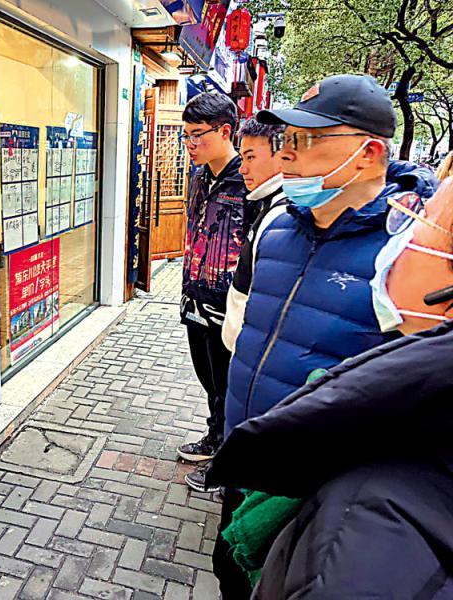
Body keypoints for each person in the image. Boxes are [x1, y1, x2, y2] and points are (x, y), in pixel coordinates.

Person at [199, 74, 438, 599]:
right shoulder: (274, 227)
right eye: (286, 138)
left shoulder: (408, 252)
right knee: (229, 573)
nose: (286, 153)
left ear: (369, 153)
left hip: (315, 489)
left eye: (308, 139)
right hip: (248, 457)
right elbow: (243, 328)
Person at [178, 93, 256, 466]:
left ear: (225, 131)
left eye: (197, 134)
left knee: (228, 382)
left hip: (229, 303)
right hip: (195, 294)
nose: (189, 144)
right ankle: (215, 437)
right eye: (186, 135)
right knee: (207, 377)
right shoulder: (198, 177)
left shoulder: (248, 181)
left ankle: (226, 456)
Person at [221, 119, 288, 354]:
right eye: (242, 158)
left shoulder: (282, 217)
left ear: (283, 155)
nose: (243, 169)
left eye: (250, 157)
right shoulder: (268, 204)